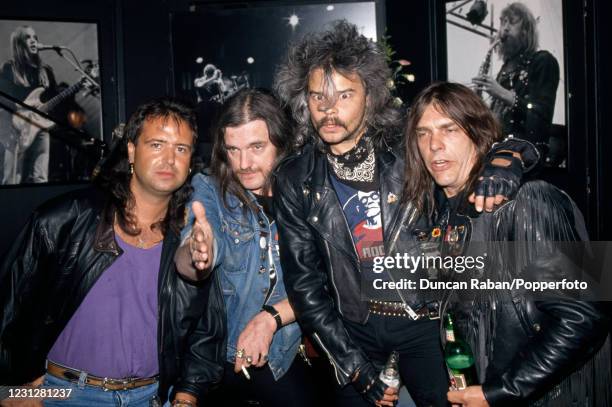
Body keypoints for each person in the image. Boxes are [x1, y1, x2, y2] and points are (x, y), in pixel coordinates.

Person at [272, 20, 539, 407]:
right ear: (304, 100)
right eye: (318, 98)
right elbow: (305, 287)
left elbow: (477, 134)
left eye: (344, 95)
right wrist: (356, 368)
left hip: (425, 319)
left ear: (370, 95)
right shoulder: (296, 178)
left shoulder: (408, 141)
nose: (329, 110)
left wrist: (509, 156)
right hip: (354, 328)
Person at [0, 98, 224, 406]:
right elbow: (10, 308)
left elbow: (206, 331)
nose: (170, 159)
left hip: (152, 397)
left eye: (181, 149)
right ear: (132, 150)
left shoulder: (192, 237)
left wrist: (186, 397)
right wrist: (10, 389)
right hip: (63, 394)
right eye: (157, 145)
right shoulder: (65, 219)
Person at [403, 81, 610, 406]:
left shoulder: (529, 199)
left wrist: (500, 392)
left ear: (477, 134)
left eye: (450, 129)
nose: (435, 145)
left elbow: (585, 314)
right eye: (423, 133)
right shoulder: (445, 217)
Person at [174, 89, 311, 407]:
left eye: (256, 147)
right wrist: (195, 252)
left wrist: (270, 318)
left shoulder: (309, 193)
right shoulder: (209, 190)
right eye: (233, 150)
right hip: (222, 361)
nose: (244, 163)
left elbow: (329, 283)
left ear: (281, 141)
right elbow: (192, 252)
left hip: (285, 354)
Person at [472, 2, 560, 145]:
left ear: (526, 30)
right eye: (503, 22)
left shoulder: (543, 61)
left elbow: (541, 118)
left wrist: (503, 94)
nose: (504, 29)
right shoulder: (504, 68)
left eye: (511, 22)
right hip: (498, 151)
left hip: (524, 157)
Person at [0, 25, 57, 184]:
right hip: (16, 129)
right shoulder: (9, 68)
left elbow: (55, 100)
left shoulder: (46, 70)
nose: (33, 41)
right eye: (28, 37)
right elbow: (3, 100)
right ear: (19, 43)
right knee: (12, 179)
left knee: (40, 178)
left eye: (35, 37)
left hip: (41, 128)